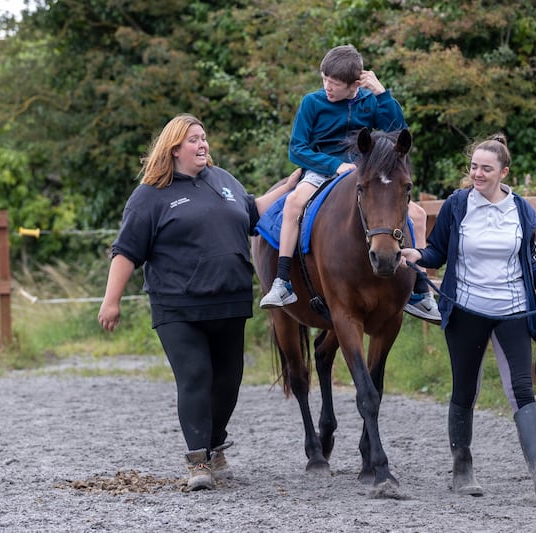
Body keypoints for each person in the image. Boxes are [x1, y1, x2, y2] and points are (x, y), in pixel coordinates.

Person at [98, 113, 300, 491]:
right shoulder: (150, 195)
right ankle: (197, 461)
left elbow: (252, 212)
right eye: (193, 139)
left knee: (229, 383)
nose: (202, 144)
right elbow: (125, 251)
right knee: (195, 377)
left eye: (204, 138)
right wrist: (112, 301)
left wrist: (288, 187)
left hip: (229, 301)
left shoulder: (223, 180)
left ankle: (214, 444)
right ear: (175, 148)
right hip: (178, 306)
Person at [400, 133, 536, 502]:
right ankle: (462, 468)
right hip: (467, 309)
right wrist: (416, 256)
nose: (477, 173)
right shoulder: (458, 205)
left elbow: (532, 261)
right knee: (465, 389)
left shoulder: (520, 209)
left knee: (521, 388)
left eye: (485, 168)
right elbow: (438, 252)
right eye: (474, 166)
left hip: (512, 311)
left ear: (503, 171)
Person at [258, 44, 440, 324]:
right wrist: (333, 165)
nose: (327, 87)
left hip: (364, 173)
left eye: (335, 83)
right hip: (321, 170)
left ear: (355, 84)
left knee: (416, 213)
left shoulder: (369, 101)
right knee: (294, 202)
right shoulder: (312, 102)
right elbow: (297, 149)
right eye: (325, 79)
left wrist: (383, 94)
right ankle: (282, 281)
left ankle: (421, 292)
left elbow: (396, 133)